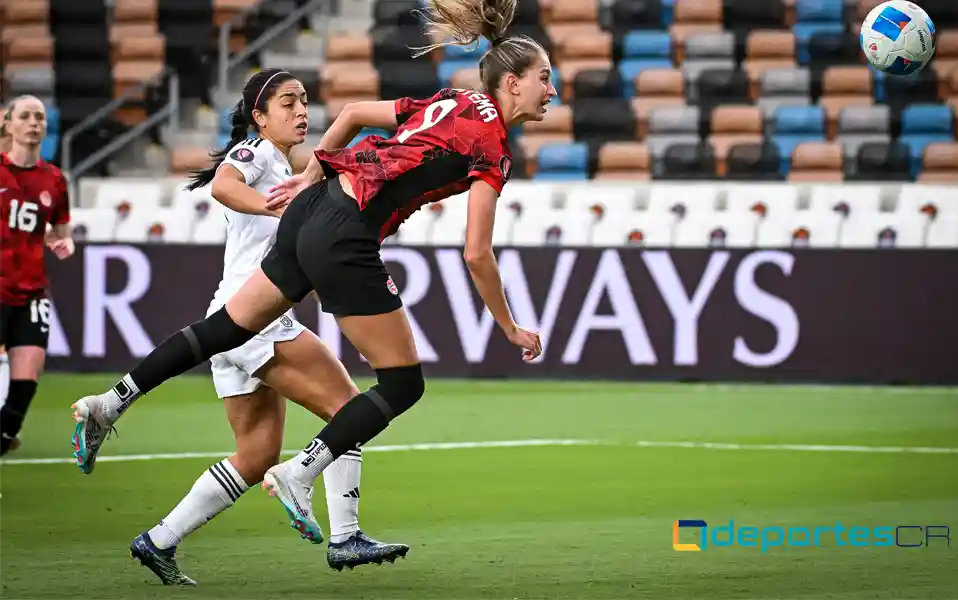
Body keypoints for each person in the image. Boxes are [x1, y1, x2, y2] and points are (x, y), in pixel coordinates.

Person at [72, 0, 551, 542]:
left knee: (225, 330)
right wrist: (509, 327)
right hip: (347, 231)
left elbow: (349, 114)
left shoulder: (451, 100)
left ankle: (109, 403)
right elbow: (476, 253)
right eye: (544, 78)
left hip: (313, 207)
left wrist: (309, 175)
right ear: (511, 83)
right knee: (402, 384)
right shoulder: (493, 148)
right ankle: (300, 474)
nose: (551, 90)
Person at [71, 69, 408, 584]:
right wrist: (273, 206)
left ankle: (158, 540)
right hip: (254, 321)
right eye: (288, 103)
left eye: (304, 102)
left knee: (255, 457)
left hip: (237, 318)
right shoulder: (256, 155)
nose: (302, 112)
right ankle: (346, 536)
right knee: (349, 409)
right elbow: (225, 186)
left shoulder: (290, 168)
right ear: (259, 116)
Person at [1, 95, 74, 456]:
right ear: (9, 124)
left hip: (31, 290)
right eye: (25, 116)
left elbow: (60, 229)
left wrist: (62, 243)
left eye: (40, 117)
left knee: (26, 381)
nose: (33, 123)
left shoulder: (54, 180)